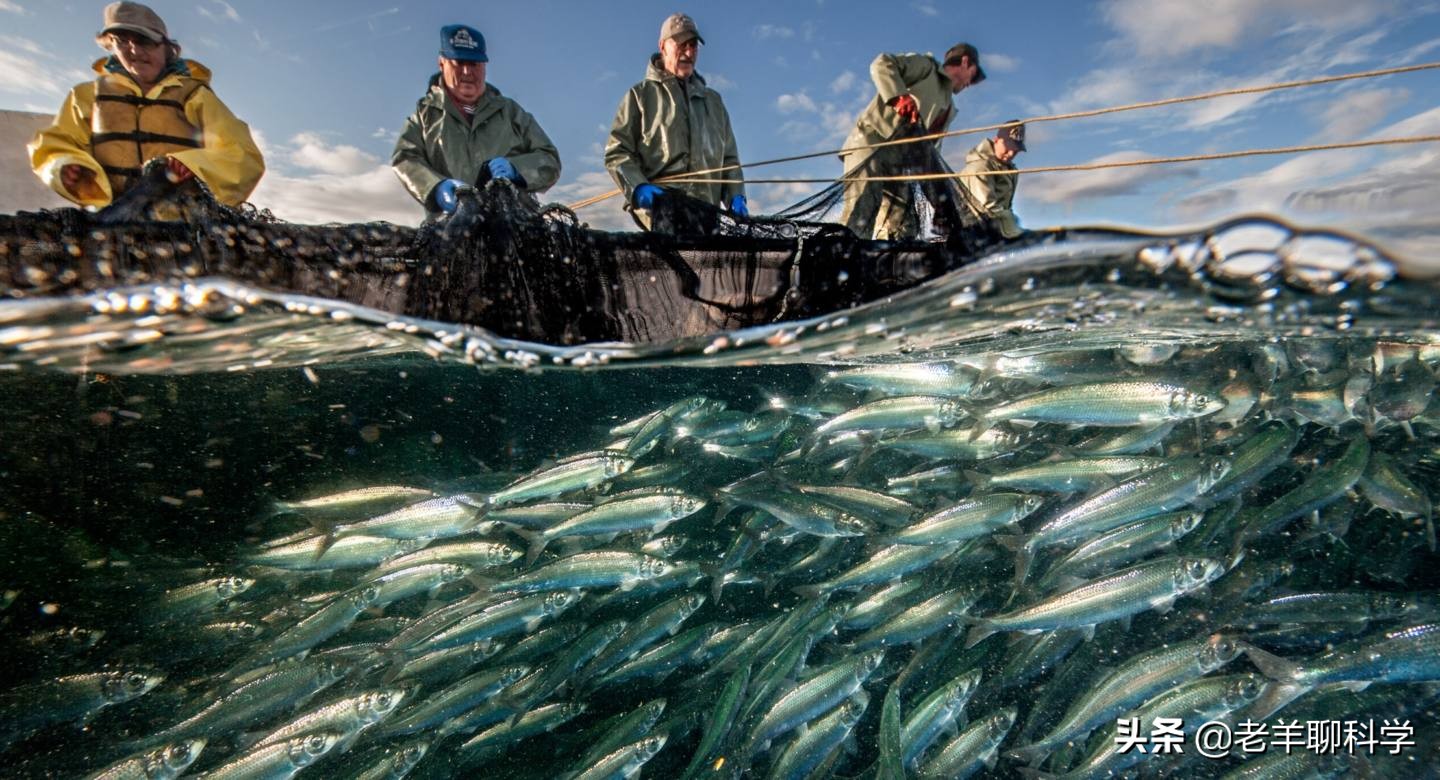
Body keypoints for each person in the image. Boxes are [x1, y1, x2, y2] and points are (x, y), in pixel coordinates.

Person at [28, 1, 264, 209]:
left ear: (167, 48)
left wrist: (195, 166)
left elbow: (243, 156)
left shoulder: (195, 95)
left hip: (182, 222)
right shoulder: (86, 95)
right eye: (121, 41)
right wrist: (65, 166)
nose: (134, 51)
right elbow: (52, 147)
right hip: (108, 219)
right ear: (111, 46)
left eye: (144, 41)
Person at [392, 24, 561, 219]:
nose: (467, 72)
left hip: (514, 229)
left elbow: (550, 159)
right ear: (442, 63)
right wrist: (435, 187)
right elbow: (404, 157)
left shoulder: (510, 111)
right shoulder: (424, 115)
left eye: (474, 64)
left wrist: (518, 169)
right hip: (448, 233)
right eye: (459, 62)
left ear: (484, 66)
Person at [605, 12, 746, 228]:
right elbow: (617, 152)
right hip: (660, 219)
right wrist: (638, 187)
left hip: (707, 219)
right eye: (682, 45)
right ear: (663, 46)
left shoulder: (714, 102)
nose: (689, 53)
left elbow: (729, 160)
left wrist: (737, 195)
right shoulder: (639, 96)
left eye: (693, 46)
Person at [838, 42, 985, 240]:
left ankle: (885, 266)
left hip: (900, 166)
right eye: (973, 76)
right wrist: (899, 98)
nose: (970, 84)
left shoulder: (949, 109)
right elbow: (882, 63)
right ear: (966, 62)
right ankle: (840, 266)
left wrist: (939, 202)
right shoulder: (926, 67)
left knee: (904, 225)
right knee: (861, 213)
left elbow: (930, 154)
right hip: (871, 144)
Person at [958, 120, 1026, 239]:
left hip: (997, 229)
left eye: (1015, 149)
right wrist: (1016, 233)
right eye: (1008, 146)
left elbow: (1005, 206)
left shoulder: (1009, 169)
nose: (1011, 153)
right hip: (975, 233)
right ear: (996, 140)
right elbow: (987, 209)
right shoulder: (980, 168)